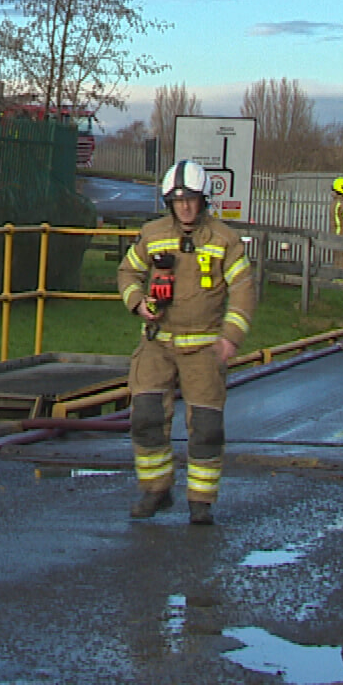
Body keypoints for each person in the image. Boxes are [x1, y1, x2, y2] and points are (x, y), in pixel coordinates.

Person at [116, 159, 257, 525]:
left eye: (192, 199)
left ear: (204, 200)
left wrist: (230, 338)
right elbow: (128, 271)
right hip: (157, 343)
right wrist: (138, 303)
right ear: (168, 202)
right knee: (146, 416)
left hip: (206, 347)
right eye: (178, 201)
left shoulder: (225, 240)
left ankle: (201, 501)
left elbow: (243, 291)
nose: (186, 207)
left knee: (207, 428)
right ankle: (155, 490)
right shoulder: (152, 234)